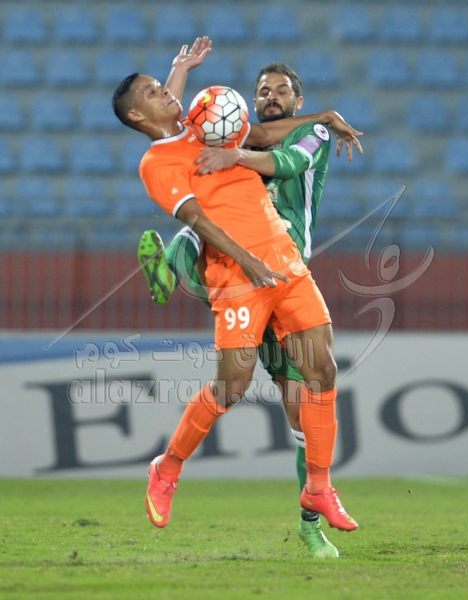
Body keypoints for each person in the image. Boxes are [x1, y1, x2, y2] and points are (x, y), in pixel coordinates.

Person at [111, 42, 358, 545]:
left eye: (163, 86)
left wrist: (179, 69)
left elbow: (261, 135)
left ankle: (318, 487)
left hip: (286, 263)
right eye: (154, 92)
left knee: (323, 370)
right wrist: (247, 260)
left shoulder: (202, 127)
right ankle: (167, 466)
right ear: (137, 115)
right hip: (238, 276)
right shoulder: (157, 164)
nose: (167, 93)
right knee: (232, 386)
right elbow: (198, 219)